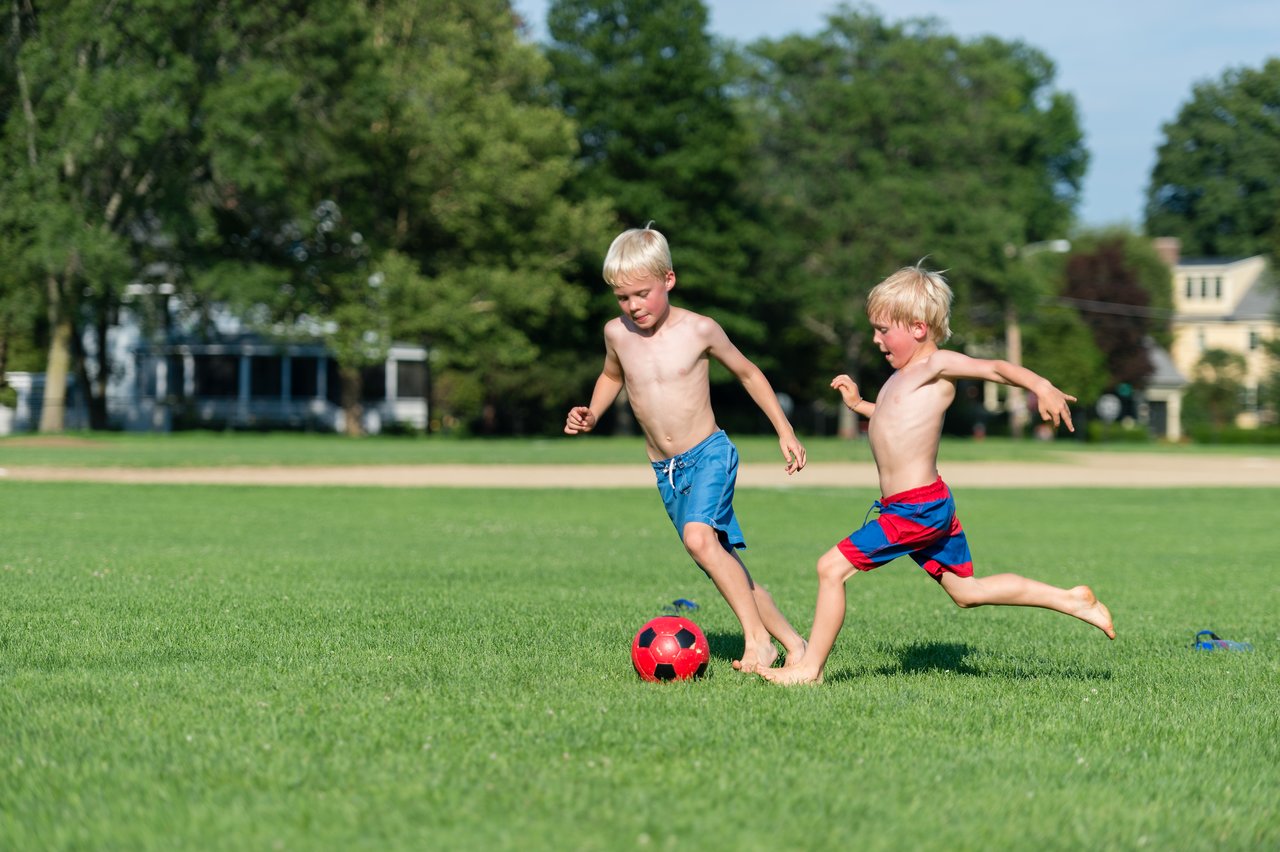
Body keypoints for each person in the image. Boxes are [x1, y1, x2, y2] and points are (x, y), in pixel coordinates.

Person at [760, 262, 1115, 686]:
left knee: (830, 569)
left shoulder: (935, 365)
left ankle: (808, 669)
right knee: (968, 592)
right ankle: (1072, 599)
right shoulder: (901, 378)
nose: (876, 339)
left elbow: (997, 369)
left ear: (917, 328)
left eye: (882, 330)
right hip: (921, 505)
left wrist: (1041, 385)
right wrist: (859, 407)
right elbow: (893, 421)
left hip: (916, 509)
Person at [565, 225, 808, 673]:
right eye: (623, 298)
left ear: (669, 281)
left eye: (642, 293)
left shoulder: (700, 330)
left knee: (700, 540)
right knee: (719, 561)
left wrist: (784, 429)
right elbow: (612, 377)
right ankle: (795, 644)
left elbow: (749, 373)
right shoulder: (616, 335)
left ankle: (759, 642)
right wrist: (593, 413)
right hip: (666, 471)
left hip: (709, 454)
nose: (634, 306)